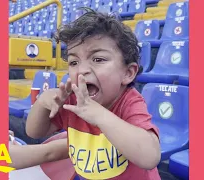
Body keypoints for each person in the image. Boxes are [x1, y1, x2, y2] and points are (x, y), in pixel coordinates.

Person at [25, 8, 161, 180]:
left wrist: (97, 114)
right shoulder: (72, 101)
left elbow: (150, 157)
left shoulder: (129, 101)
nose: (81, 71)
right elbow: (34, 132)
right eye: (74, 62)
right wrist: (42, 104)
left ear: (128, 73)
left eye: (98, 59)